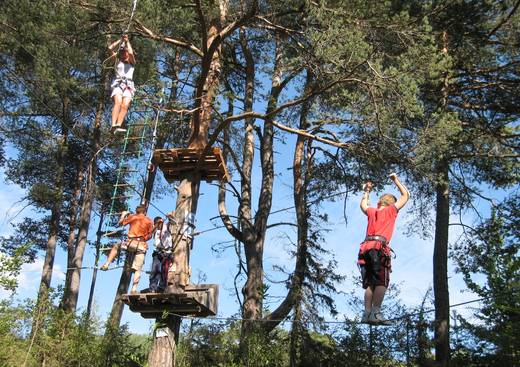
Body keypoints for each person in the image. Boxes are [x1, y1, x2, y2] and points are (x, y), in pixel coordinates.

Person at [358, 173, 410, 325]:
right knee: (381, 282)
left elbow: (363, 205)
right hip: (379, 249)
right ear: (391, 203)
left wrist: (367, 190)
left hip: (365, 249)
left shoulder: (372, 212)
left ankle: (367, 313)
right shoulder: (391, 210)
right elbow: (405, 195)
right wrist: (395, 180)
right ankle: (376, 312)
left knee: (370, 283)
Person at [101, 205, 153, 293]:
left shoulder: (133, 217)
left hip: (130, 243)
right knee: (138, 269)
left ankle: (107, 264)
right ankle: (134, 289)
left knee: (116, 246)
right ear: (145, 212)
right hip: (141, 245)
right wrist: (143, 238)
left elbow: (120, 223)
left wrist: (123, 214)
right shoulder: (149, 220)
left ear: (137, 211)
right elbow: (150, 236)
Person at [107, 34, 136, 134]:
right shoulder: (117, 62)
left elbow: (131, 53)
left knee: (125, 105)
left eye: (125, 52)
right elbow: (110, 48)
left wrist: (127, 41)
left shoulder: (132, 62)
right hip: (118, 83)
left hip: (128, 85)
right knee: (118, 103)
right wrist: (120, 40)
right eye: (122, 52)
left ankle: (118, 124)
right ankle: (113, 124)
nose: (124, 53)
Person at [147, 213, 174, 293]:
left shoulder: (166, 226)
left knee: (164, 271)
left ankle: (162, 287)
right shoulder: (155, 230)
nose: (158, 225)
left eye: (159, 223)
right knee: (155, 271)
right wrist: (157, 224)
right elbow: (150, 232)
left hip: (167, 252)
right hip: (157, 252)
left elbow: (173, 223)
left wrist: (169, 217)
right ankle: (152, 288)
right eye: (156, 224)